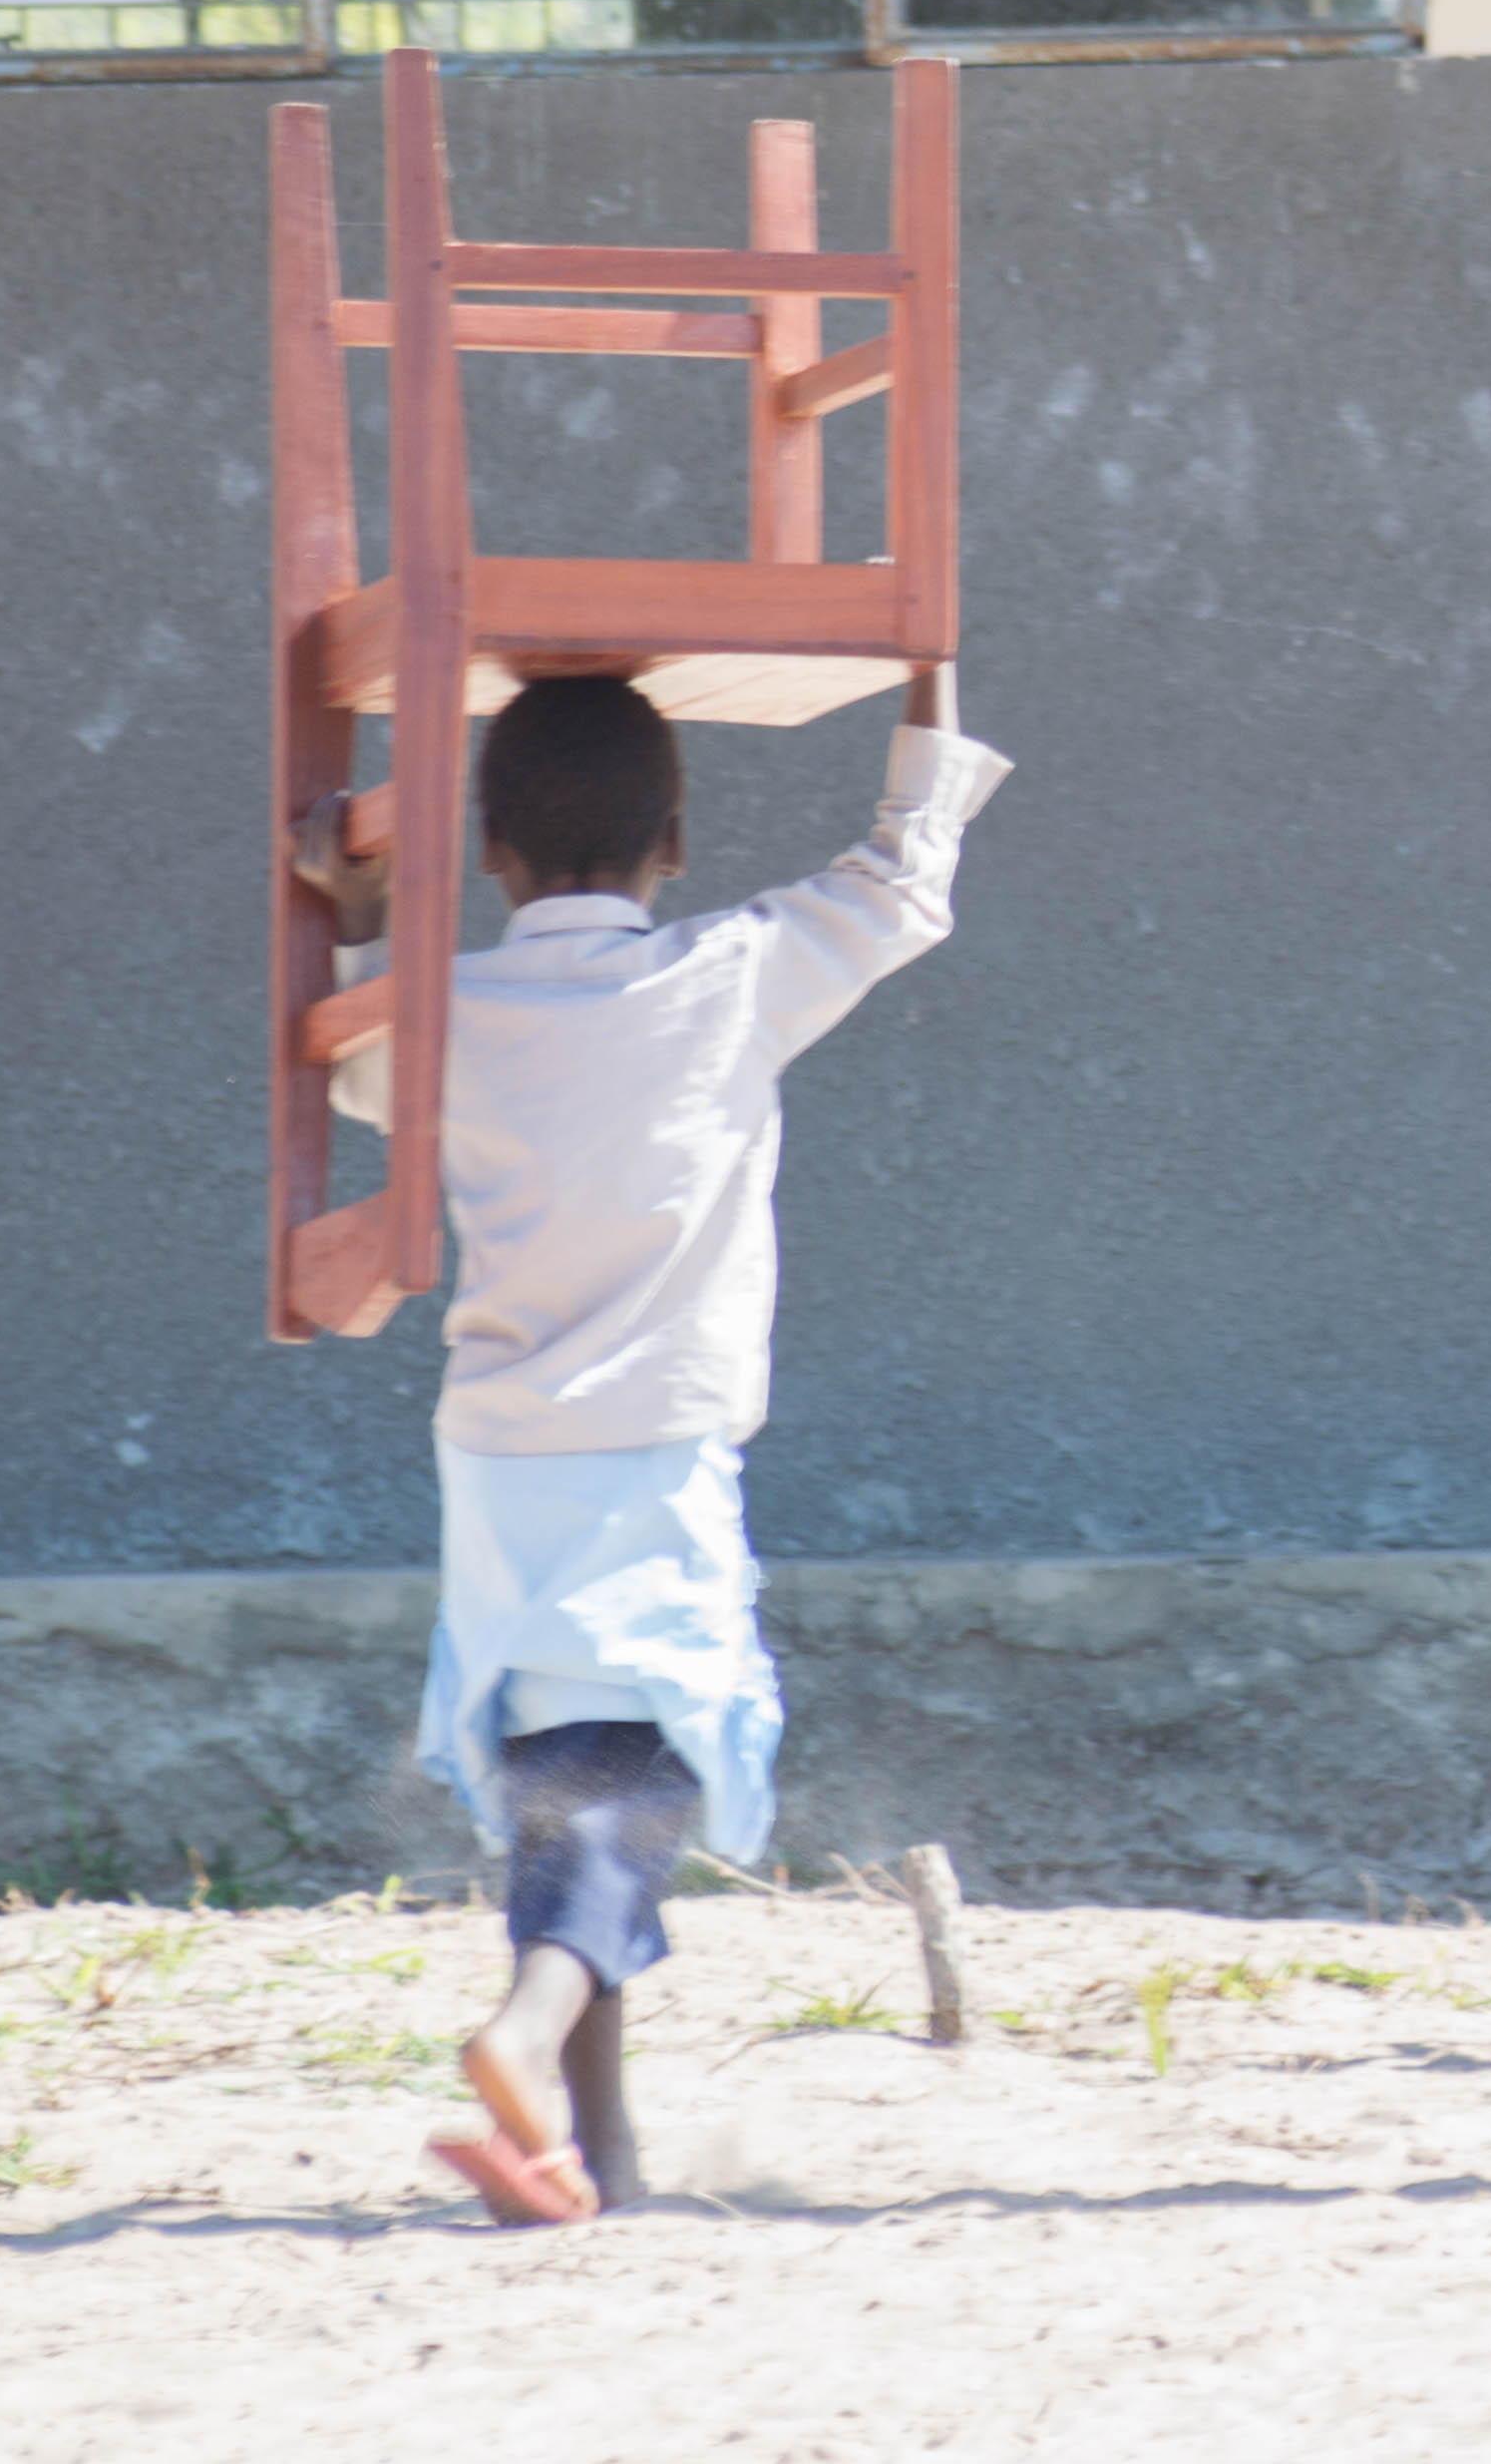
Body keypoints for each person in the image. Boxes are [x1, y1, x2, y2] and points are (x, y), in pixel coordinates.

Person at [291, 664, 1007, 2227]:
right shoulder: (730, 975)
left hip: (495, 1460)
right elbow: (900, 886)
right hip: (653, 1448)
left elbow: (347, 1067)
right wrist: (931, 684)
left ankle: (588, 2154)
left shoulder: (446, 1014)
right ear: (673, 840)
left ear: (489, 850)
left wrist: (357, 912)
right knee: (640, 1774)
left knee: (568, 1771)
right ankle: (528, 2028)